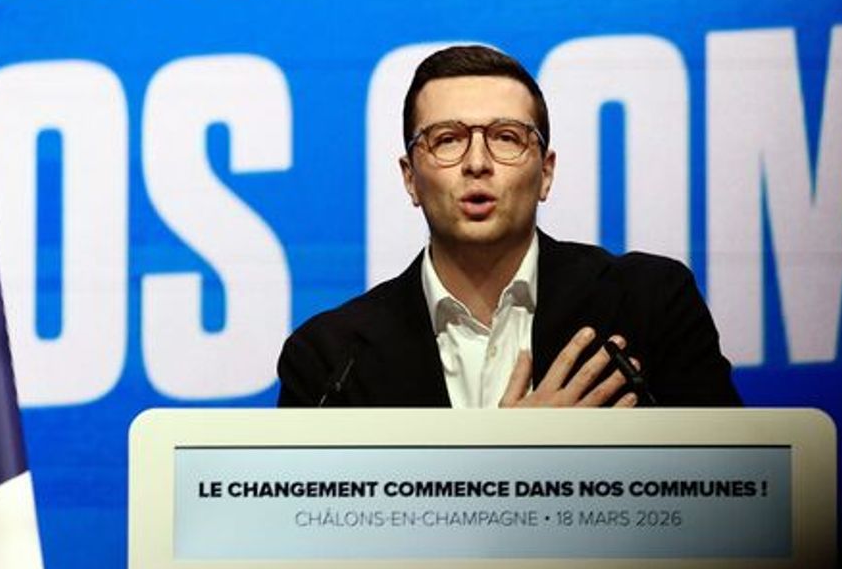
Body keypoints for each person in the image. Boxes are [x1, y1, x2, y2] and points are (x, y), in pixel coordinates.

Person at [277, 45, 739, 408]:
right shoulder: (328, 359)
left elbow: (733, 485)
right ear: (410, 178)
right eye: (447, 139)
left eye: (506, 138)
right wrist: (511, 459)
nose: (477, 163)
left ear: (546, 173)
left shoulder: (650, 304)